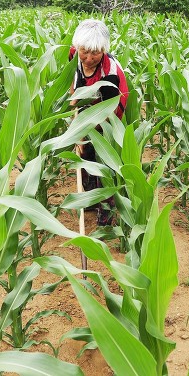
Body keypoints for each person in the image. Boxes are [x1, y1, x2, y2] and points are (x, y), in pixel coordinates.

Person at [69, 19, 129, 226]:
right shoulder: (75, 55)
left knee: (103, 156)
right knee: (84, 152)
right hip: (88, 103)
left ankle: (107, 205)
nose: (89, 58)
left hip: (110, 108)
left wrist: (84, 131)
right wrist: (74, 102)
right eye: (84, 51)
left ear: (103, 49)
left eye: (95, 53)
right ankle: (90, 196)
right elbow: (74, 79)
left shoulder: (110, 73)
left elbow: (108, 110)